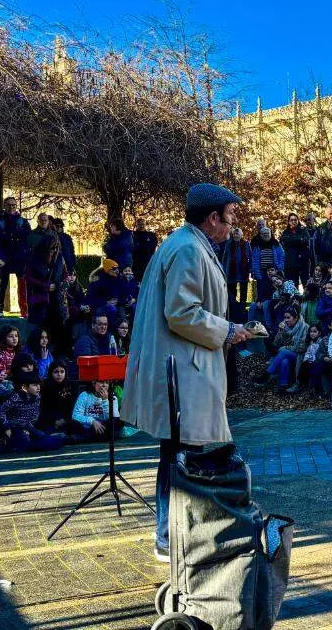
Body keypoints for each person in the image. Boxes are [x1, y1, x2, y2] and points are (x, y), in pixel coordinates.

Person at [119, 183, 253, 563]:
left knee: (176, 453)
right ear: (213, 218)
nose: (233, 224)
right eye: (230, 216)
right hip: (182, 370)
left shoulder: (186, 244)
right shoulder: (188, 249)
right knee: (178, 456)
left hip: (184, 367)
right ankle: (167, 536)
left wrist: (228, 330)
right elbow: (182, 313)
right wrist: (226, 330)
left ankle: (169, 532)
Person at [0, 371, 63, 453]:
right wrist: (6, 427)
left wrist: (28, 428)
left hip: (27, 427)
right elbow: (0, 411)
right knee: (24, 442)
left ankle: (31, 444)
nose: (38, 388)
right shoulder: (16, 398)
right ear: (25, 387)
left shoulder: (37, 397)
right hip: (13, 428)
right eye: (34, 385)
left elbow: (35, 415)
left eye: (39, 385)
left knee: (52, 440)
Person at [0, 196, 32, 316]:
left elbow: (28, 238)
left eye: (14, 205)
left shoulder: (23, 221)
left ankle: (25, 310)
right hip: (5, 258)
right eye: (9, 205)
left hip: (20, 258)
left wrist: (25, 255)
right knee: (2, 283)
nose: (11, 207)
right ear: (4, 206)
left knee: (23, 285)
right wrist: (0, 257)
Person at [266, 308, 309, 393]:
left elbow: (302, 347)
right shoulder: (285, 327)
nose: (286, 320)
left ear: (295, 318)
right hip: (287, 355)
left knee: (283, 352)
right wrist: (281, 331)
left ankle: (268, 373)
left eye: (288, 318)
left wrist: (286, 348)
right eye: (285, 317)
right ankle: (283, 385)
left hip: (300, 355)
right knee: (284, 361)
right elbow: (276, 344)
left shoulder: (305, 327)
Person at [251, 220, 286, 298]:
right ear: (260, 235)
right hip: (262, 272)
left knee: (274, 289)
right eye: (264, 234)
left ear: (270, 234)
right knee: (261, 291)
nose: (266, 235)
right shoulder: (257, 245)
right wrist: (256, 272)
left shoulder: (276, 244)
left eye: (267, 233)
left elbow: (282, 256)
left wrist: (279, 268)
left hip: (274, 271)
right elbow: (254, 260)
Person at [38, 359, 74, 433]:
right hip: (49, 420)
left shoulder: (71, 386)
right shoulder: (45, 387)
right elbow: (43, 408)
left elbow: (72, 406)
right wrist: (54, 421)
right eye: (56, 372)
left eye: (62, 371)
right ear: (51, 373)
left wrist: (65, 419)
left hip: (67, 419)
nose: (59, 374)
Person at [220, 227, 252, 307]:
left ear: (241, 235)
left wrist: (251, 269)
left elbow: (250, 257)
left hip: (243, 271)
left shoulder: (246, 243)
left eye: (238, 234)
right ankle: (233, 308)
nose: (236, 235)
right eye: (234, 234)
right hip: (231, 271)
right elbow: (225, 258)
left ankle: (243, 308)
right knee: (231, 291)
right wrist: (223, 270)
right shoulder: (228, 244)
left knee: (243, 291)